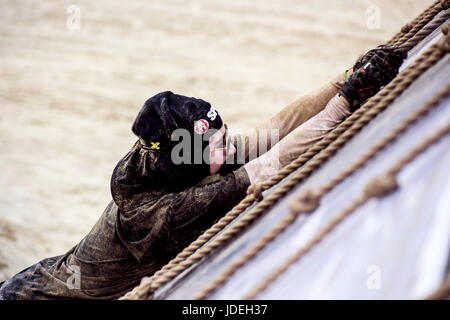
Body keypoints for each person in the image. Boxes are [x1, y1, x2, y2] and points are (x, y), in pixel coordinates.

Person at [0, 46, 406, 299]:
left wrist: (345, 78)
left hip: (52, 273)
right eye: (219, 144)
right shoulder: (162, 211)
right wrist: (345, 103)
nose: (230, 147)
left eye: (224, 134)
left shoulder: (182, 154)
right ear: (189, 157)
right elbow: (272, 162)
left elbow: (274, 131)